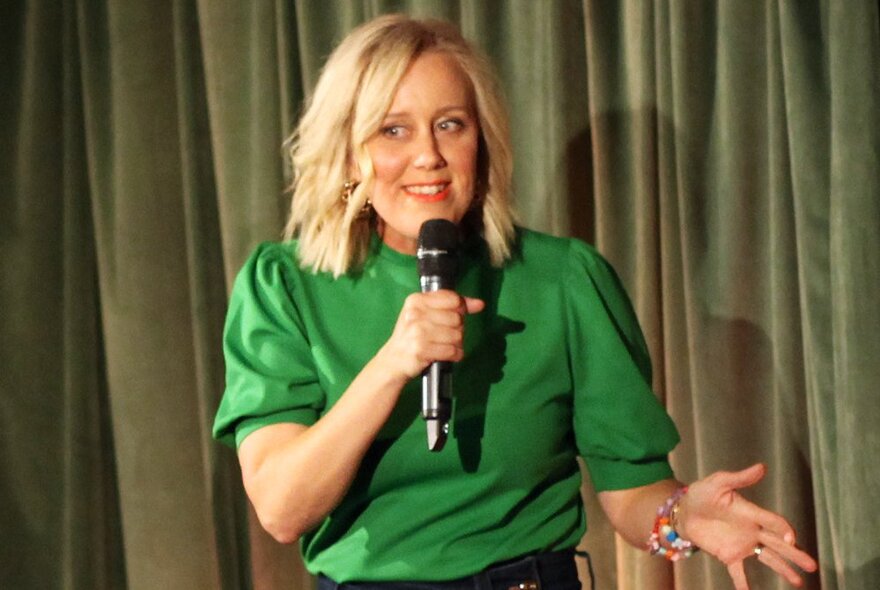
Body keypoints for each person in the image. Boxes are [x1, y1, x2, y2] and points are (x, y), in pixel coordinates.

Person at [212, 14, 817, 590]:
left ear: (483, 141)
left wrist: (681, 517)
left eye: (451, 124)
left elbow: (632, 492)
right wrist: (392, 363)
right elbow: (283, 508)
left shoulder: (563, 280)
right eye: (393, 129)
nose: (429, 154)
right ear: (349, 152)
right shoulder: (284, 286)